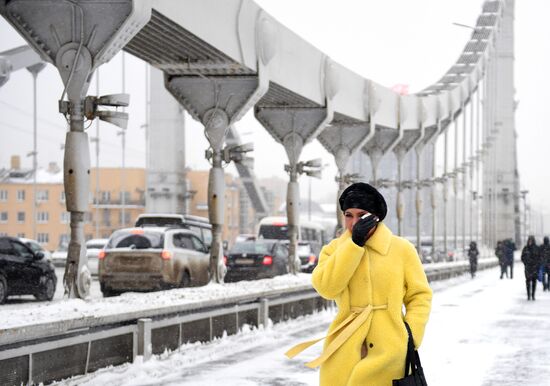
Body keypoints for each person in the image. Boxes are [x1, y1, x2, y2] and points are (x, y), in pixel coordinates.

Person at [285, 182, 432, 386]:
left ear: (375, 217)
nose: (354, 221)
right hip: (344, 345)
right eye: (348, 215)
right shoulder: (334, 250)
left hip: (389, 346)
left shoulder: (402, 249)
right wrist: (353, 246)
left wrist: (410, 335)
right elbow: (327, 288)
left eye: (361, 215)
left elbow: (420, 296)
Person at [521, 236, 541, 301]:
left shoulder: (537, 248)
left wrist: (537, 264)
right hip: (528, 267)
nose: (530, 242)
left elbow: (539, 257)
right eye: (529, 240)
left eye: (531, 240)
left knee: (534, 281)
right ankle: (528, 295)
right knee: (528, 281)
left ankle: (533, 295)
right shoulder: (526, 248)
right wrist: (525, 263)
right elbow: (522, 257)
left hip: (535, 267)